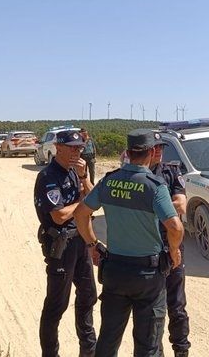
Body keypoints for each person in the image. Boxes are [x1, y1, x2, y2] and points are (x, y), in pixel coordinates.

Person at [74, 129, 184, 357]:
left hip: (115, 272)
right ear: (152, 151)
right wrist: (173, 251)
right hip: (147, 276)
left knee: (108, 340)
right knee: (147, 346)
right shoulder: (154, 186)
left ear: (128, 152)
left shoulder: (109, 181)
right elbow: (175, 227)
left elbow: (80, 214)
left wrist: (92, 244)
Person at [34, 129, 97, 357]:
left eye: (79, 148)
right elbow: (59, 215)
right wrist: (82, 203)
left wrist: (84, 178)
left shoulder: (75, 172)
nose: (76, 152)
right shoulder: (48, 176)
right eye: (71, 147)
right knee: (56, 305)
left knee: (88, 296)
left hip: (80, 241)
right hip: (61, 246)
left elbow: (94, 199)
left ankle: (88, 351)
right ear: (58, 147)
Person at [150, 134, 191, 357]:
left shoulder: (172, 171)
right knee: (153, 308)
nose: (158, 150)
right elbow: (172, 206)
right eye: (154, 147)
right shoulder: (139, 176)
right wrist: (165, 209)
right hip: (148, 247)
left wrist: (150, 209)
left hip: (172, 244)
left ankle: (181, 350)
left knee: (177, 305)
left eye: (161, 147)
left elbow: (181, 206)